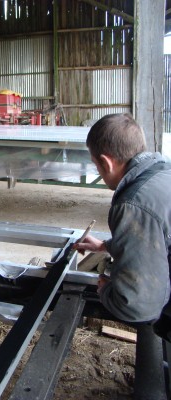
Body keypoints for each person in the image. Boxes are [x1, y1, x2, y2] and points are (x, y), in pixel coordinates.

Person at [73, 113, 171, 323]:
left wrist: (107, 292)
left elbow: (138, 307)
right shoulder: (163, 172)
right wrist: (107, 246)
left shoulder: (132, 205)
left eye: (95, 165)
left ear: (106, 163)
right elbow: (158, 238)